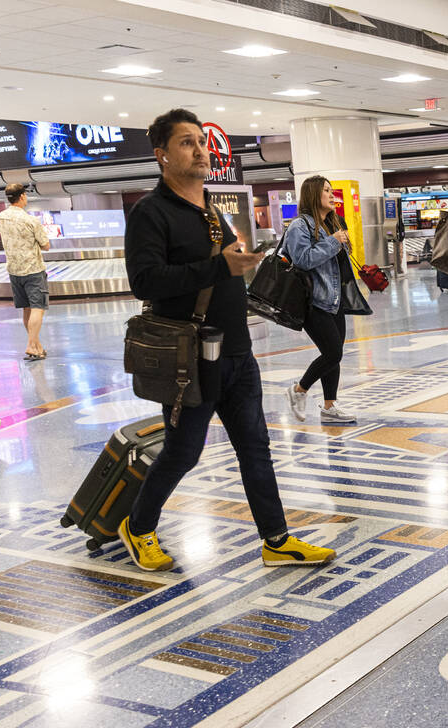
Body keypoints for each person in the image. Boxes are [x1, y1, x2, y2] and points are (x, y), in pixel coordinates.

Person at [120, 108, 334, 572]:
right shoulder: (151, 213)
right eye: (186, 142)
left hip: (236, 350)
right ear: (162, 156)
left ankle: (276, 540)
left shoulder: (212, 208)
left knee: (256, 446)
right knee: (184, 451)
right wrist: (221, 266)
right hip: (190, 358)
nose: (199, 149)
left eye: (201, 141)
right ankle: (137, 528)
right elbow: (145, 281)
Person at [283, 175, 365, 424]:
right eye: (327, 191)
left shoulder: (332, 222)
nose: (332, 195)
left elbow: (337, 261)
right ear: (313, 195)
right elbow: (303, 260)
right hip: (312, 301)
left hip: (334, 299)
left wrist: (342, 241)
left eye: (332, 191)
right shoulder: (300, 226)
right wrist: (333, 241)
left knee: (335, 353)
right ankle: (299, 390)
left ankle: (329, 407)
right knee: (333, 353)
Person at [0, 182, 52, 360]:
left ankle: (37, 346)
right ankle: (31, 345)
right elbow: (46, 245)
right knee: (38, 308)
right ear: (22, 196)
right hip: (33, 269)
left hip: (14, 270)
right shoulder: (30, 220)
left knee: (26, 309)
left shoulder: (0, 218)